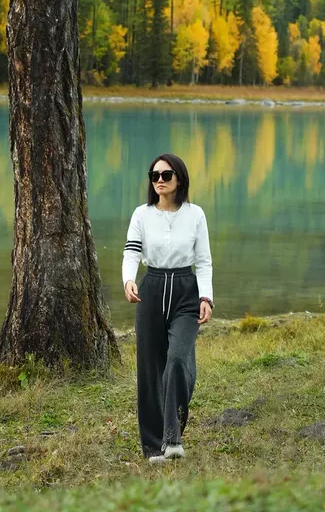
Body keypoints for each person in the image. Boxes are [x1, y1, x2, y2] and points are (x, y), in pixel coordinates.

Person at [122, 152, 214, 463]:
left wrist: (206, 297)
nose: (159, 180)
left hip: (186, 292)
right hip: (152, 288)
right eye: (154, 175)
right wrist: (128, 281)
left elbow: (203, 261)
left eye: (166, 175)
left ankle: (173, 433)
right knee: (150, 370)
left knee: (177, 360)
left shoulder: (195, 215)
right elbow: (132, 252)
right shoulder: (141, 214)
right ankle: (153, 446)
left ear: (179, 179)